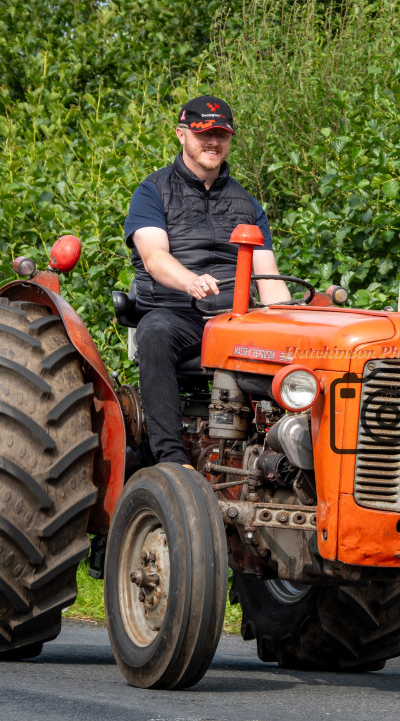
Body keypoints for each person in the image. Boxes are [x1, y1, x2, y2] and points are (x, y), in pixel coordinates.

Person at [124, 95, 291, 465]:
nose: (213, 142)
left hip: (237, 320)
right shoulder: (152, 192)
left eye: (221, 134)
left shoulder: (247, 203)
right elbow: (154, 258)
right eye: (203, 133)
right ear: (181, 135)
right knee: (154, 333)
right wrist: (188, 281)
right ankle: (170, 459)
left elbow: (269, 280)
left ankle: (279, 456)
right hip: (178, 314)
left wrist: (293, 318)